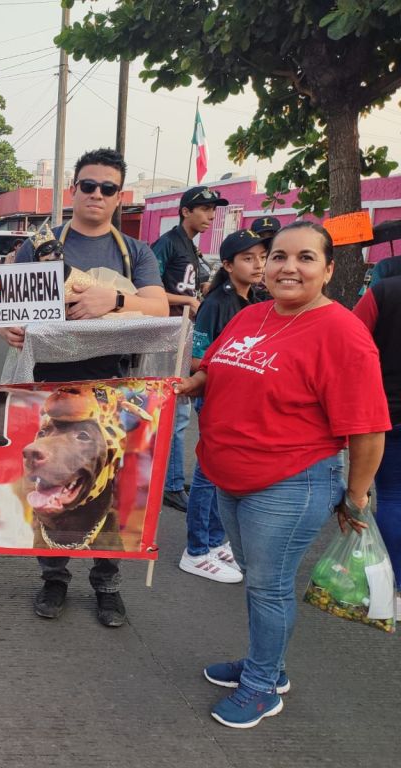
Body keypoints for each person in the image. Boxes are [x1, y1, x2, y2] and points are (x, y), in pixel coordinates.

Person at [177, 220, 389, 729]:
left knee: (268, 587)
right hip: (229, 474)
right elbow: (214, 367)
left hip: (290, 483)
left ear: (329, 270)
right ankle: (265, 664)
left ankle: (262, 686)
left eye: (305, 258)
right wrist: (191, 383)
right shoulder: (253, 315)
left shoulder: (342, 333)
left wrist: (356, 495)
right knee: (257, 580)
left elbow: (368, 429)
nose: (288, 267)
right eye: (278, 256)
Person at [4, 147, 168, 628]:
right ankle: (53, 577)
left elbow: (159, 308)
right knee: (48, 485)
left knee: (110, 484)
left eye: (108, 188)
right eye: (88, 185)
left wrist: (112, 299)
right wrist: (7, 326)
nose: (97, 194)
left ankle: (107, 584)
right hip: (50, 385)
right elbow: (3, 304)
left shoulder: (134, 252)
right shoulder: (40, 244)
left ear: (119, 196)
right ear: (73, 189)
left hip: (114, 387)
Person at [179, 229, 267, 584]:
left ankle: (216, 541)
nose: (258, 264)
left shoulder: (255, 299)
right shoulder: (217, 303)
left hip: (240, 400)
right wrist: (235, 371)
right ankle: (196, 550)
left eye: (262, 257)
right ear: (228, 265)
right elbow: (196, 358)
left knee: (224, 474)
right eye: (248, 258)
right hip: (215, 397)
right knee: (207, 475)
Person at [151, 185, 228, 513]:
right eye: (204, 209)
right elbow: (146, 288)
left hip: (183, 333)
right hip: (166, 334)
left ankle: (170, 478)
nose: (211, 215)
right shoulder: (168, 243)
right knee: (176, 411)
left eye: (213, 210)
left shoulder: (191, 247)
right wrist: (188, 301)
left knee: (177, 412)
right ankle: (169, 485)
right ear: (185, 211)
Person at [353, 274, 401, 614]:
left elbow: (351, 342)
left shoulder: (385, 290)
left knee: (393, 496)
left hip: (386, 410)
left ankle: (391, 588)